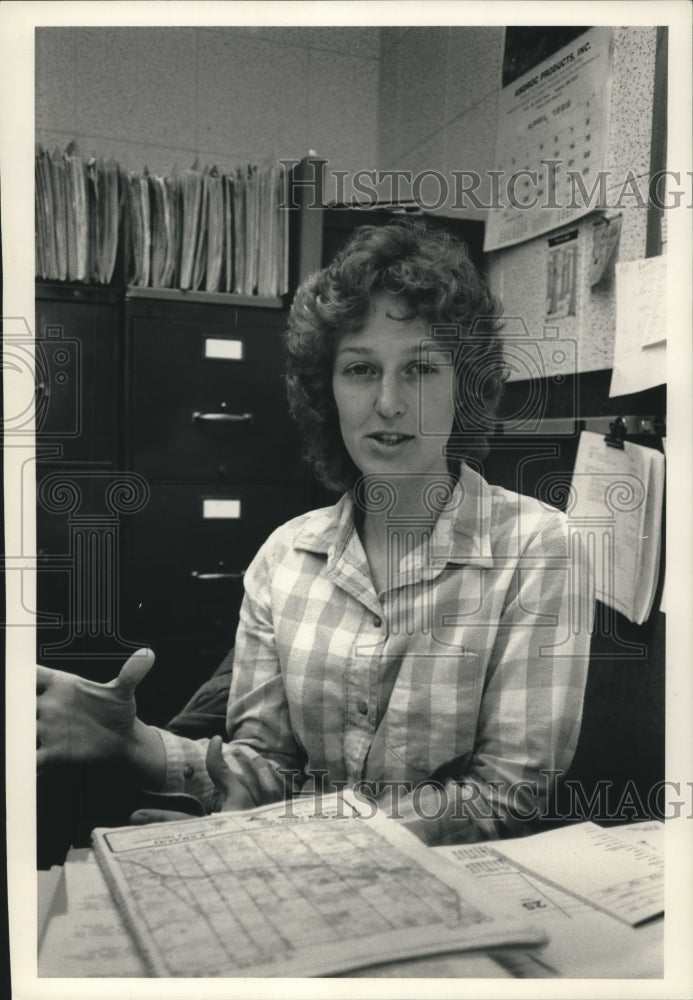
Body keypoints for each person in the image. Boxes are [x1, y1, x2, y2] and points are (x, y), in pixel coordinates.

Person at [37, 222, 592, 845]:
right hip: (304, 888)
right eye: (360, 369)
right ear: (326, 389)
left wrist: (296, 835)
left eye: (421, 369)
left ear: (463, 387)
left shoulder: (540, 546)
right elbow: (263, 771)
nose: (388, 402)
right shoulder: (284, 558)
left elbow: (506, 795)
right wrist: (135, 744)